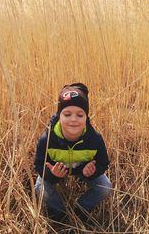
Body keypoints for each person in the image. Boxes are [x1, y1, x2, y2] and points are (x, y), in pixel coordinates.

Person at [34, 83, 112, 222]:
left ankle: (81, 209)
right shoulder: (47, 139)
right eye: (67, 114)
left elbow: (103, 163)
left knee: (105, 187)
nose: (74, 119)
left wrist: (92, 171)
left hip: (82, 170)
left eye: (80, 115)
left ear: (86, 117)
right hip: (55, 172)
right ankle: (59, 212)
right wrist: (53, 175)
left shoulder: (94, 139)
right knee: (41, 188)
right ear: (59, 116)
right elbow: (39, 166)